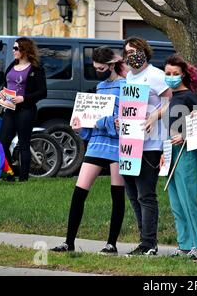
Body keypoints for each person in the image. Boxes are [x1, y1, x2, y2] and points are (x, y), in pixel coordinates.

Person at [51, 47, 127, 254]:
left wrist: (99, 122)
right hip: (96, 143)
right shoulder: (100, 87)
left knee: (117, 194)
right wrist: (81, 128)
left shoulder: (126, 86)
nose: (98, 71)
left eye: (101, 68)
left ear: (111, 65)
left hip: (117, 146)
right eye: (95, 68)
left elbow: (124, 120)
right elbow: (94, 122)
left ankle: (111, 243)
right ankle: (69, 241)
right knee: (79, 192)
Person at [120, 37, 171, 256]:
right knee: (132, 194)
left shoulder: (157, 76)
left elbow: (170, 102)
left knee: (145, 195)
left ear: (144, 51)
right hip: (129, 142)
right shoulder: (130, 76)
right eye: (127, 51)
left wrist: (153, 116)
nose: (131, 54)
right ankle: (144, 240)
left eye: (135, 50)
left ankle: (149, 243)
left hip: (150, 144)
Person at [160, 54, 197, 263]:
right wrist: (164, 153)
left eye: (175, 74)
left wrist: (186, 136)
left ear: (183, 75)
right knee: (176, 203)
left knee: (189, 201)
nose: (171, 77)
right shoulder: (173, 99)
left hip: (187, 155)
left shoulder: (190, 97)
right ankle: (184, 245)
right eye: (167, 73)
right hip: (171, 154)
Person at [0, 37, 47, 182]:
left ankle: (23, 179)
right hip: (9, 109)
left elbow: (43, 92)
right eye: (13, 48)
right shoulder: (12, 65)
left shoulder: (36, 69)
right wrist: (1, 92)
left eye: (16, 48)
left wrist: (23, 98)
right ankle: (10, 175)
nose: (13, 51)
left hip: (26, 111)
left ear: (25, 50)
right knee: (2, 143)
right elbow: (5, 84)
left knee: (24, 144)